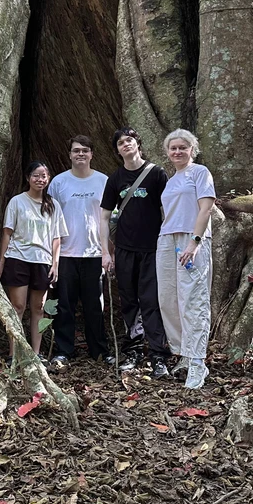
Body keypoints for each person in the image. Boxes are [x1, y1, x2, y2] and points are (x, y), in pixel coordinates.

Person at [100, 128, 168, 374]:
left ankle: (159, 355)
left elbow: (166, 211)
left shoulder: (156, 174)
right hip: (125, 250)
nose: (125, 144)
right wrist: (106, 252)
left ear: (138, 144)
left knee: (151, 301)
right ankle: (134, 351)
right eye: (120, 142)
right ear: (117, 150)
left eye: (129, 140)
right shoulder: (115, 178)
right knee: (129, 302)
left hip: (152, 249)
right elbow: (105, 215)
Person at [156, 129, 216, 389]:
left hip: (190, 240)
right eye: (173, 148)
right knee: (168, 299)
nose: (177, 152)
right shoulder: (171, 180)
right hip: (167, 239)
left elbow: (206, 207)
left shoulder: (199, 172)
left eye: (183, 147)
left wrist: (195, 241)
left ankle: (198, 362)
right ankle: (183, 352)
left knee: (193, 299)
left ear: (192, 149)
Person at [48, 136, 110, 370]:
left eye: (85, 150)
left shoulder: (103, 181)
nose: (80, 154)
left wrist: (107, 252)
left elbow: (110, 219)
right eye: (76, 151)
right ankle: (64, 351)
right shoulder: (59, 182)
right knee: (65, 304)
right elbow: (50, 219)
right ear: (70, 155)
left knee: (95, 304)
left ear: (92, 154)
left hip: (94, 253)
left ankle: (99, 350)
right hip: (65, 254)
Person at [0, 161, 68, 360]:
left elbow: (57, 238)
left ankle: (36, 353)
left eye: (44, 176)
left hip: (42, 261)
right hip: (18, 258)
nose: (40, 179)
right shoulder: (17, 202)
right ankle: (15, 352)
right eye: (36, 175)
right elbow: (7, 233)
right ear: (28, 178)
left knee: (38, 308)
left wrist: (55, 264)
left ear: (48, 178)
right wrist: (1, 262)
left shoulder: (53, 205)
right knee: (17, 306)